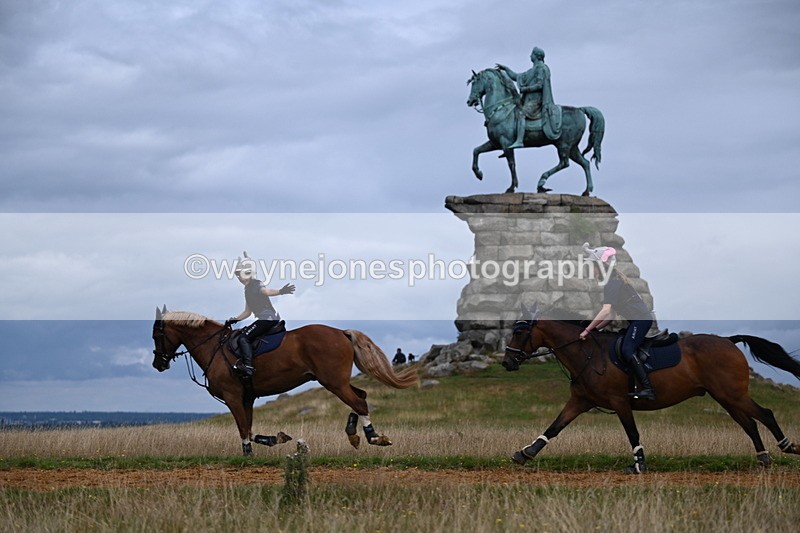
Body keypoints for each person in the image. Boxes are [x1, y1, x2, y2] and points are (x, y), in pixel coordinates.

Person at [579, 243, 656, 400]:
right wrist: (596, 329)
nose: (591, 271)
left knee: (627, 349)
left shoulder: (612, 283)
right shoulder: (612, 281)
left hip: (640, 320)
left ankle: (648, 389)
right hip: (637, 321)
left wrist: (587, 330)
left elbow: (606, 310)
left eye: (593, 267)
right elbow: (611, 316)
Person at [227, 253, 295, 377]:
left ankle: (248, 366)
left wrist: (280, 291)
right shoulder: (247, 290)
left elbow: (266, 291)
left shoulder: (257, 284)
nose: (242, 279)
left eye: (244, 275)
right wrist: (234, 320)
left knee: (243, 338)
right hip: (264, 319)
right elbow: (247, 312)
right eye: (239, 276)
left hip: (267, 318)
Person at [496, 46, 562, 148]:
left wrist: (525, 89)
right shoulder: (532, 70)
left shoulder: (541, 68)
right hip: (529, 101)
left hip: (536, 102)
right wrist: (506, 69)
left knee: (521, 113)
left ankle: (519, 140)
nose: (530, 55)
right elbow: (516, 76)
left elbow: (540, 85)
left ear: (536, 56)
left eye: (532, 54)